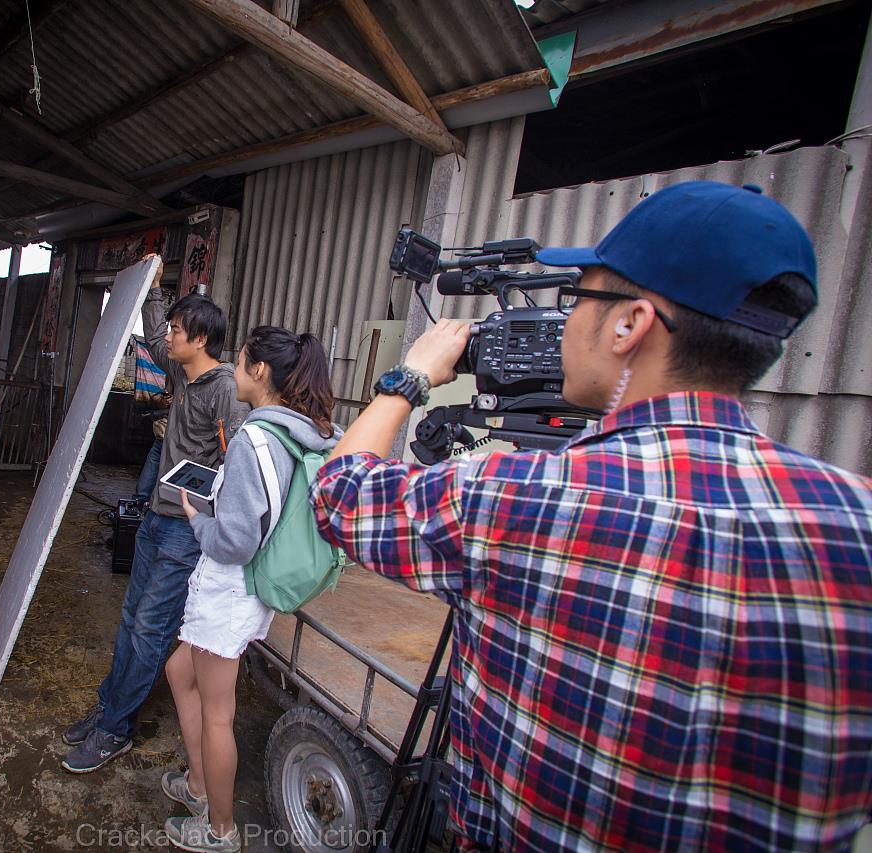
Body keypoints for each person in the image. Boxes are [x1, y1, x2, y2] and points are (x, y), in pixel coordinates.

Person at [311, 181, 872, 851]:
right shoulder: (857, 517)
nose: (566, 322)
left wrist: (411, 376)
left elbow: (340, 492)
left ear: (629, 323)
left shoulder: (510, 494)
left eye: (577, 299)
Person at [61, 259, 249, 773]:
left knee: (149, 629)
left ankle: (116, 729)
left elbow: (240, 464)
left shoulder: (227, 391)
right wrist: (153, 284)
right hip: (156, 520)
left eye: (177, 330)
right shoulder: (183, 374)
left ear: (202, 339)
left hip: (187, 532)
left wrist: (206, 505)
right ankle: (110, 704)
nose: (168, 336)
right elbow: (151, 328)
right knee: (130, 620)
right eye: (170, 327)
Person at [161, 326, 339, 852]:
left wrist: (197, 518)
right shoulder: (308, 432)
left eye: (239, 364)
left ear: (259, 372)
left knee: (219, 714)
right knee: (178, 670)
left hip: (230, 588)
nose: (233, 372)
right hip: (254, 584)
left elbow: (234, 541)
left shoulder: (252, 438)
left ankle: (220, 828)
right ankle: (197, 785)